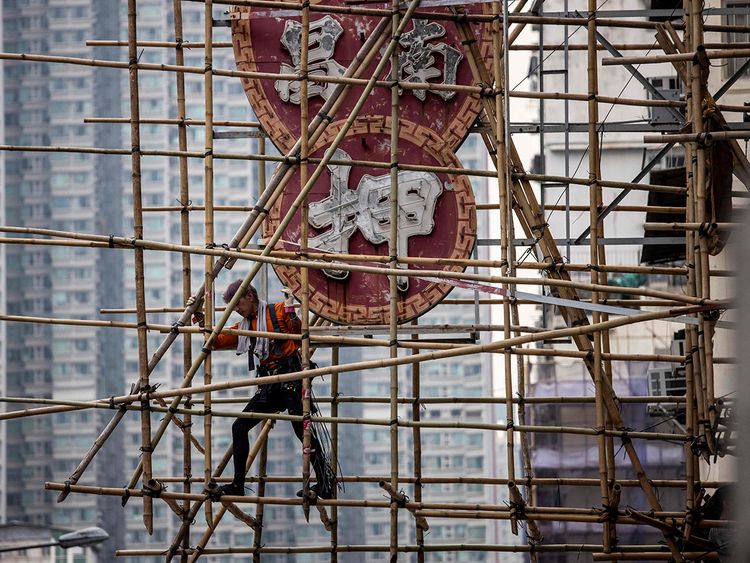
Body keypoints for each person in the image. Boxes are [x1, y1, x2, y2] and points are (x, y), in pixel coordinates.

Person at [189, 280, 334, 498]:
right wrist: (199, 316)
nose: (236, 310)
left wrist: (290, 309)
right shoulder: (245, 327)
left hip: (292, 379)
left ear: (250, 296)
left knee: (302, 430)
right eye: (233, 306)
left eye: (238, 304)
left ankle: (324, 483)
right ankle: (238, 485)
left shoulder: (276, 311)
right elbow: (215, 341)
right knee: (239, 427)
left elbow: (298, 333)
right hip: (270, 384)